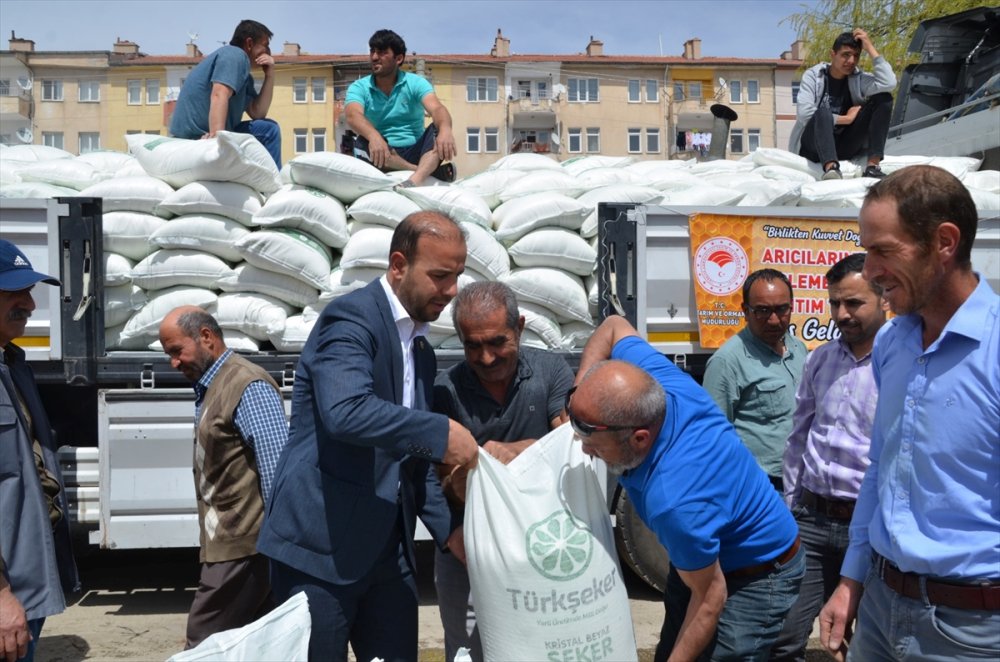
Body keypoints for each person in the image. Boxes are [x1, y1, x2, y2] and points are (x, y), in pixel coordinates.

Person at [257, 211, 480, 662]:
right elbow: (345, 412)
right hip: (319, 550)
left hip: (387, 553)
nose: (452, 291)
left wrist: (451, 534)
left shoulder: (421, 349)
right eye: (439, 276)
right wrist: (440, 431)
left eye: (457, 276)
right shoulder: (350, 320)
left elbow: (410, 462)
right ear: (399, 265)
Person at [819, 165, 1000, 660]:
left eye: (883, 251)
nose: (870, 269)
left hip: (972, 631)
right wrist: (851, 579)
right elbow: (883, 465)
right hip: (879, 607)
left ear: (944, 242)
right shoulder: (893, 343)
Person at [572, 314, 804, 661]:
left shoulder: (676, 501)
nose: (584, 447)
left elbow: (711, 597)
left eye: (594, 443)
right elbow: (614, 326)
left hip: (758, 574)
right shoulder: (663, 385)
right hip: (709, 560)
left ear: (639, 438)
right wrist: (579, 393)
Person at [432, 281, 574, 662]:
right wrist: (451, 531)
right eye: (472, 345)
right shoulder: (445, 390)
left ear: (520, 327)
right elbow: (437, 478)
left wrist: (509, 453)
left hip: (542, 546)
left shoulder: (550, 371)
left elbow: (572, 447)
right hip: (469, 550)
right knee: (468, 651)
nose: (487, 357)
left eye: (497, 342)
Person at [770, 253, 887, 662]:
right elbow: (798, 437)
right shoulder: (819, 360)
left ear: (883, 299)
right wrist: (791, 507)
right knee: (785, 637)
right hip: (814, 523)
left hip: (872, 528)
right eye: (834, 303)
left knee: (871, 642)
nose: (841, 313)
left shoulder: (899, 365)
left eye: (853, 303)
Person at [157, 306, 288, 649]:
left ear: (206, 337)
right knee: (255, 646)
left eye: (176, 351)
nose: (173, 363)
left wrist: (281, 548)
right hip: (235, 545)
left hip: (245, 546)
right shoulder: (213, 384)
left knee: (203, 646)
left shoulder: (247, 385)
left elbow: (278, 471)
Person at [0, 240, 79, 662]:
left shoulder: (14, 366)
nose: (29, 304)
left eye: (29, 292)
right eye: (14, 292)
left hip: (26, 581)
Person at [702, 269, 807, 492]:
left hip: (802, 486)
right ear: (745, 311)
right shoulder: (727, 361)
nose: (774, 320)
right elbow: (713, 438)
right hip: (761, 489)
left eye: (782, 309)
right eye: (762, 311)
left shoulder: (799, 349)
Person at [346, 29, 456, 186]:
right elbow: (352, 115)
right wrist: (374, 136)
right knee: (361, 141)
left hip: (417, 151)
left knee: (438, 129)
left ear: (398, 58)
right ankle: (423, 171)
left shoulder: (415, 83)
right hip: (382, 154)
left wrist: (446, 131)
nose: (374, 57)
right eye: (372, 51)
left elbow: (437, 109)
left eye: (382, 52)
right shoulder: (359, 87)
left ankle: (415, 181)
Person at [169, 19, 281, 167]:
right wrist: (217, 141)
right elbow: (219, 94)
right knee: (270, 131)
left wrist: (270, 75)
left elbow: (258, 113)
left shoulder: (245, 77)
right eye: (265, 46)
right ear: (249, 44)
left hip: (212, 132)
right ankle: (273, 185)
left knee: (267, 127)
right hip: (195, 136)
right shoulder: (235, 55)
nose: (269, 53)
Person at [789, 29, 896, 180]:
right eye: (846, 55)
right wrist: (846, 118)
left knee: (884, 98)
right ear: (832, 54)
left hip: (845, 144)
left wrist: (870, 47)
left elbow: (889, 83)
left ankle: (872, 167)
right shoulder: (814, 75)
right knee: (822, 112)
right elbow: (804, 114)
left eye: (856, 56)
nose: (851, 61)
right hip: (814, 146)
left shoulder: (858, 79)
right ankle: (831, 169)